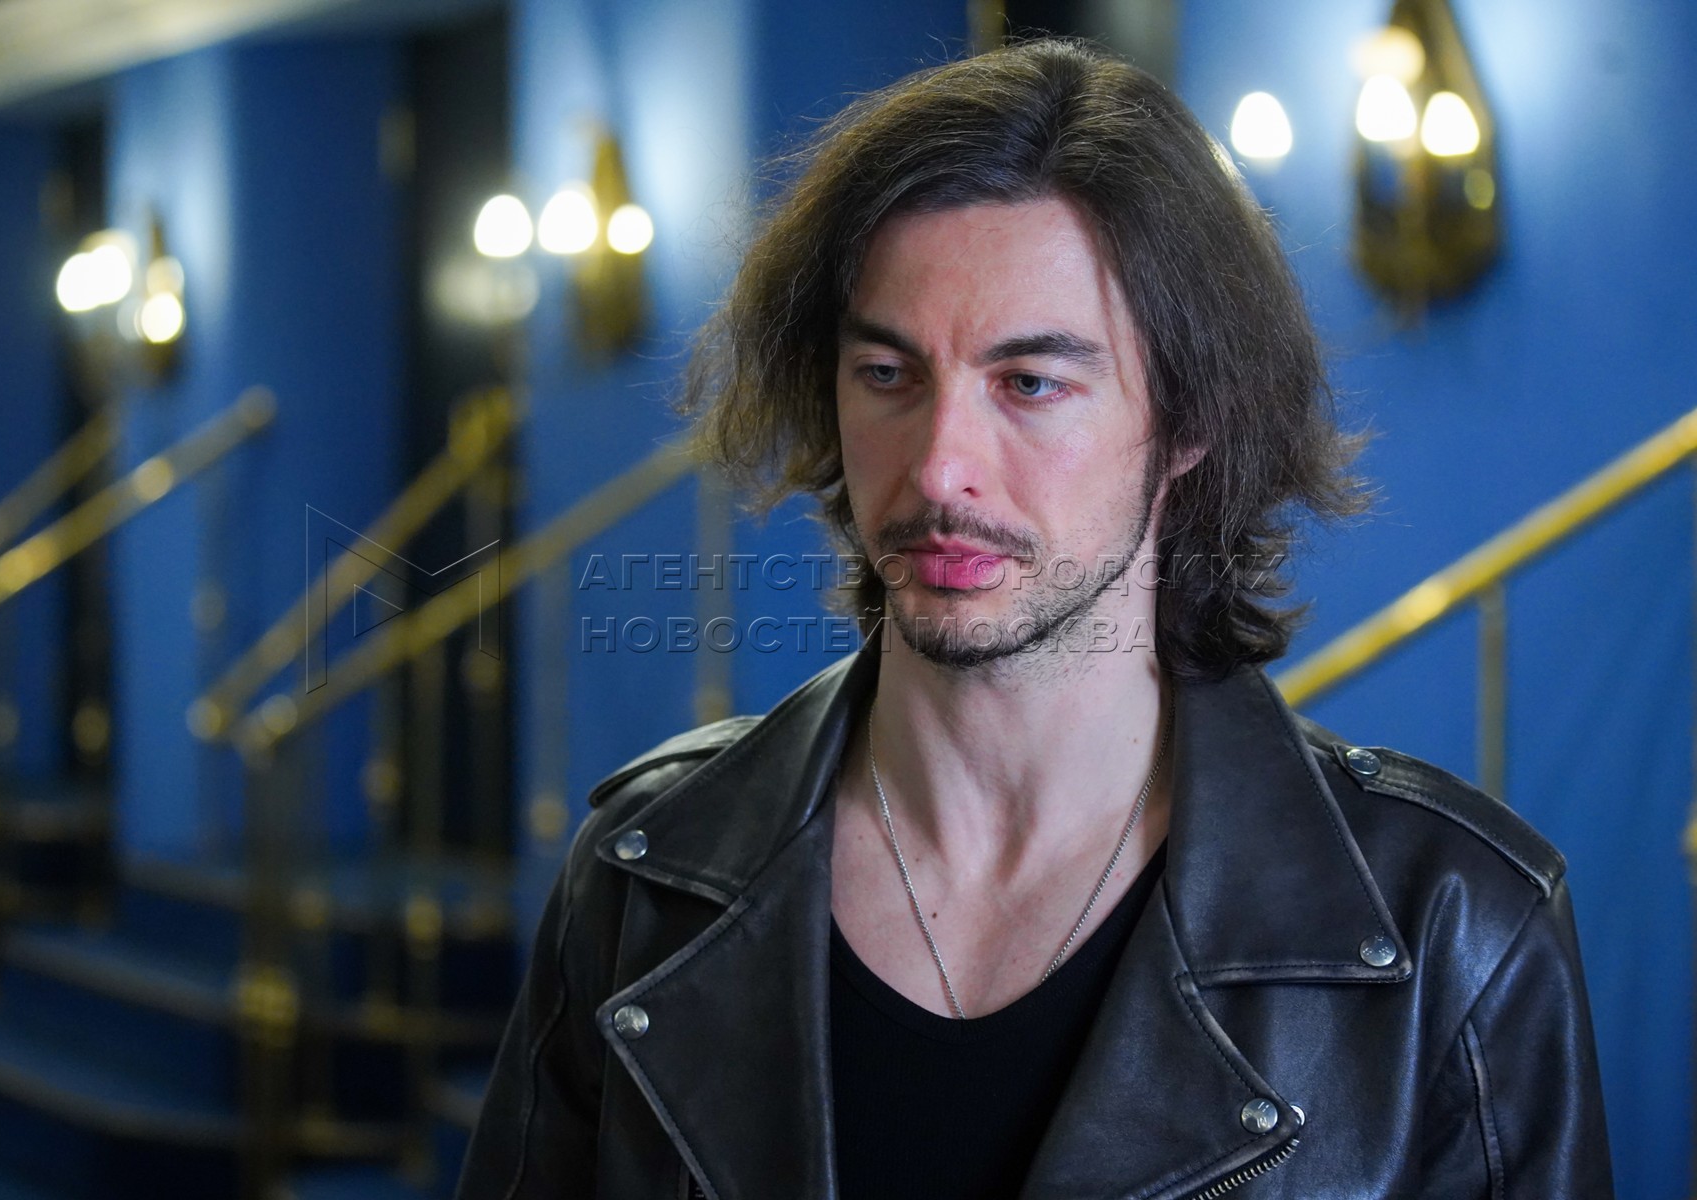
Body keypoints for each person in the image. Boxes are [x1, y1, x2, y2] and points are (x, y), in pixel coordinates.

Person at [456, 39, 1612, 1200]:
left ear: (1190, 423)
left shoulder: (1456, 929)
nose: (938, 469)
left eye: (1030, 384)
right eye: (888, 374)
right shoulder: (646, 872)